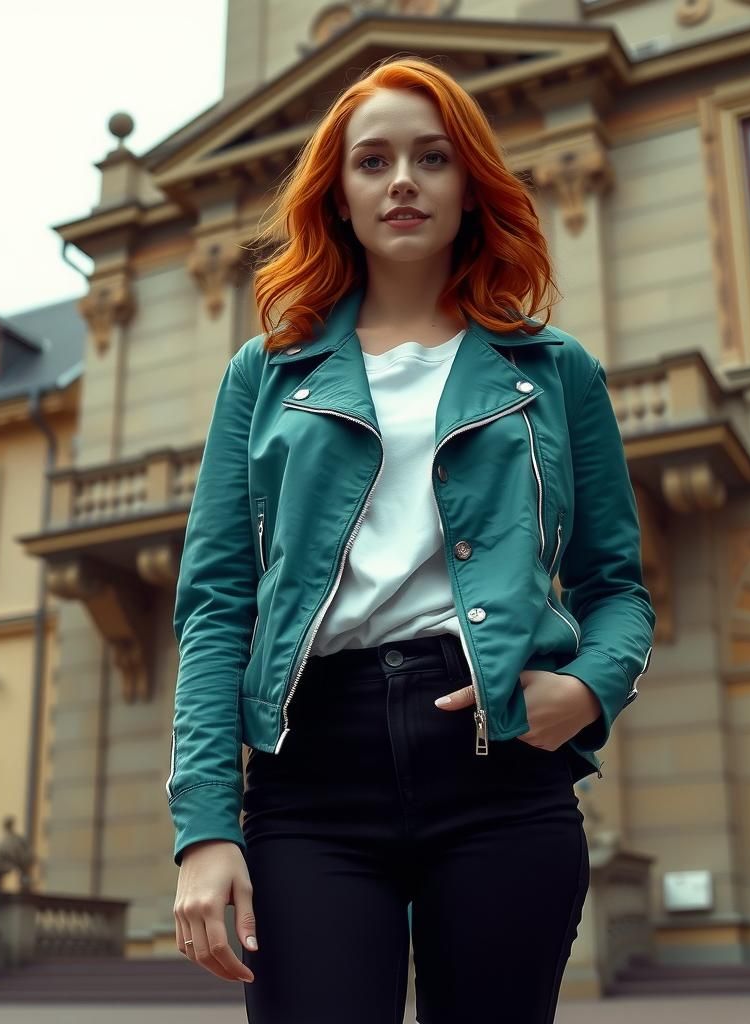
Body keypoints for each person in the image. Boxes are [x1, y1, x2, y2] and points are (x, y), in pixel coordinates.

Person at [169, 55, 655, 1024]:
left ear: (469, 186)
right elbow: (217, 602)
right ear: (337, 194)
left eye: (432, 158)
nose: (402, 180)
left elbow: (617, 585)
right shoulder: (263, 376)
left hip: (499, 766)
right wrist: (203, 827)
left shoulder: (555, 371)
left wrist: (589, 686)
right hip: (311, 775)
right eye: (373, 160)